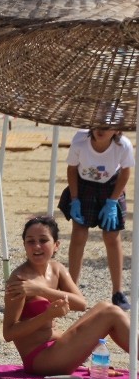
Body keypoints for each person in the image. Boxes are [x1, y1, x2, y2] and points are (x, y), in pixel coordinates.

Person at [4, 216, 131, 376]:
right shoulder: (19, 281)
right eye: (30, 241)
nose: (36, 246)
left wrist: (40, 291)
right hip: (40, 360)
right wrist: (47, 316)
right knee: (112, 314)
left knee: (106, 306)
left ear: (56, 245)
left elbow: (81, 304)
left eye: (43, 240)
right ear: (24, 245)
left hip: (58, 347)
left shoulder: (57, 269)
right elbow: (8, 333)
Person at [57, 128, 134, 310]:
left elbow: (125, 173)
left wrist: (113, 201)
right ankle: (72, 289)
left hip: (111, 187)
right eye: (98, 124)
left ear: (117, 129)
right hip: (84, 186)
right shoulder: (80, 140)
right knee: (79, 235)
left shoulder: (123, 145)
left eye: (108, 126)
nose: (102, 130)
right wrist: (74, 199)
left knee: (111, 237)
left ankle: (117, 292)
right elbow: (72, 169)